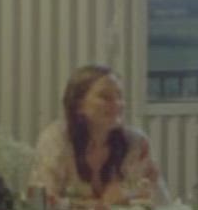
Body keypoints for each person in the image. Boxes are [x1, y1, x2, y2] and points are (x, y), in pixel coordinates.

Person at [29, 65, 170, 207]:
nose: (117, 104)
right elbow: (41, 203)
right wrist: (101, 205)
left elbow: (161, 203)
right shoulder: (56, 140)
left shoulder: (137, 143)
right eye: (105, 97)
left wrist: (127, 193)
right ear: (78, 105)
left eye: (119, 96)